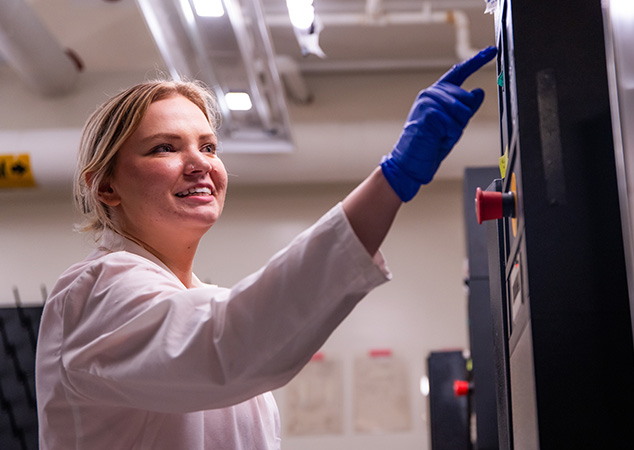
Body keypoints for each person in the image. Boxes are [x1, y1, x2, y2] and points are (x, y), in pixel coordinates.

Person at [35, 46, 497, 450]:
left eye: (209, 146)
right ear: (106, 186)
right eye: (164, 148)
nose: (200, 164)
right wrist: (390, 181)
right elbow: (227, 345)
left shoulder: (196, 296)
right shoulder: (94, 292)